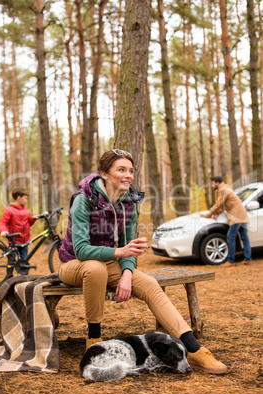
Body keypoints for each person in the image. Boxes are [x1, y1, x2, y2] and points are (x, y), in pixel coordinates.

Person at [59, 150, 227, 374]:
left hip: (110, 262)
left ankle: (193, 348)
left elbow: (130, 245)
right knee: (95, 268)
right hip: (74, 264)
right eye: (121, 170)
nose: (128, 175)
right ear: (104, 174)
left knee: (149, 284)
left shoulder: (128, 201)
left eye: (131, 171)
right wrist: (120, 252)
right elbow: (81, 249)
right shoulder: (84, 200)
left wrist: (127, 273)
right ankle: (93, 339)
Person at [201, 176, 252, 267]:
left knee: (230, 237)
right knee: (244, 237)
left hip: (236, 216)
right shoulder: (226, 188)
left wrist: (209, 214)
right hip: (242, 214)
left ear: (217, 183)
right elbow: (224, 205)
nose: (212, 186)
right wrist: (217, 212)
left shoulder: (222, 189)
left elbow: (218, 204)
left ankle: (231, 260)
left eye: (212, 183)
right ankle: (248, 259)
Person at [0, 188, 39, 259]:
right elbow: (3, 221)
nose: (27, 200)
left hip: (24, 241)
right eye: (25, 198)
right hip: (14, 241)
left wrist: (32, 218)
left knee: (24, 261)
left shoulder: (25, 210)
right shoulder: (9, 210)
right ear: (19, 198)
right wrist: (3, 230)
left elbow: (28, 222)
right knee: (11, 260)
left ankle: (24, 270)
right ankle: (9, 270)